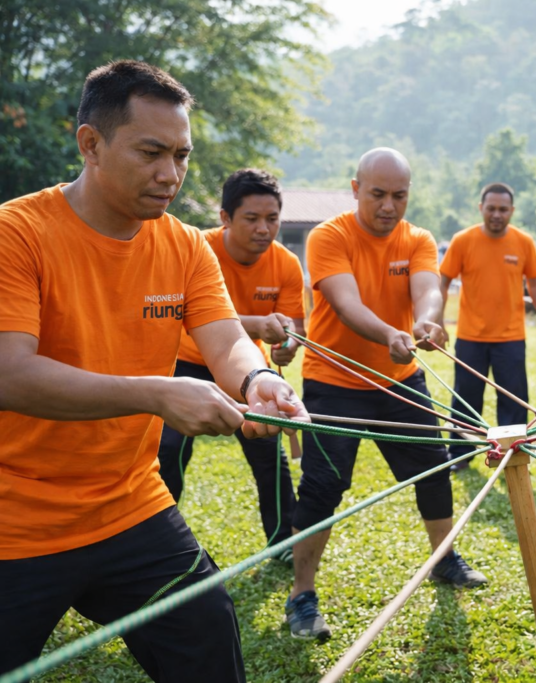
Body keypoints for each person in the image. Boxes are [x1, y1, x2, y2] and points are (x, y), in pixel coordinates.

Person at [0, 61, 308, 681]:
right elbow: (11, 375)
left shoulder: (184, 246)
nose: (171, 174)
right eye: (151, 153)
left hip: (129, 504)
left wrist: (258, 382)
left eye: (181, 155)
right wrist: (159, 394)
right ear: (91, 144)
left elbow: (226, 341)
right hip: (15, 519)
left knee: (207, 632)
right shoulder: (17, 233)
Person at [287, 147, 487, 641]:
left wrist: (426, 322)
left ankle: (444, 558)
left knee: (434, 469)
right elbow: (346, 302)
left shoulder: (417, 238)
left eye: (399, 196)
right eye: (377, 194)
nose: (388, 206)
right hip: (334, 382)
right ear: (356, 189)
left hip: (399, 379)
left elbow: (429, 290)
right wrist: (389, 334)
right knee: (322, 486)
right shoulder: (328, 236)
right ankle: (302, 594)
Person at [156, 169, 305, 552]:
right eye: (251, 218)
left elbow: (295, 328)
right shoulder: (196, 249)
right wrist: (257, 324)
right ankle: (157, 542)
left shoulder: (286, 264)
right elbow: (186, 314)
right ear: (225, 217)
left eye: (272, 219)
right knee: (168, 448)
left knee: (268, 450)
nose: (263, 229)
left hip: (244, 367)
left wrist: (287, 345)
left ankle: (282, 543)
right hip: (186, 360)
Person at [439, 182, 536, 470]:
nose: (497, 214)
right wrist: (438, 320)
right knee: (465, 399)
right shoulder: (463, 240)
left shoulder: (524, 242)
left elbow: (535, 283)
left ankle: (512, 455)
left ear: (512, 210)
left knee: (513, 399)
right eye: (491, 208)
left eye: (503, 209)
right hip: (470, 337)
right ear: (481, 208)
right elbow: (443, 281)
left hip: (511, 337)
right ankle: (460, 454)